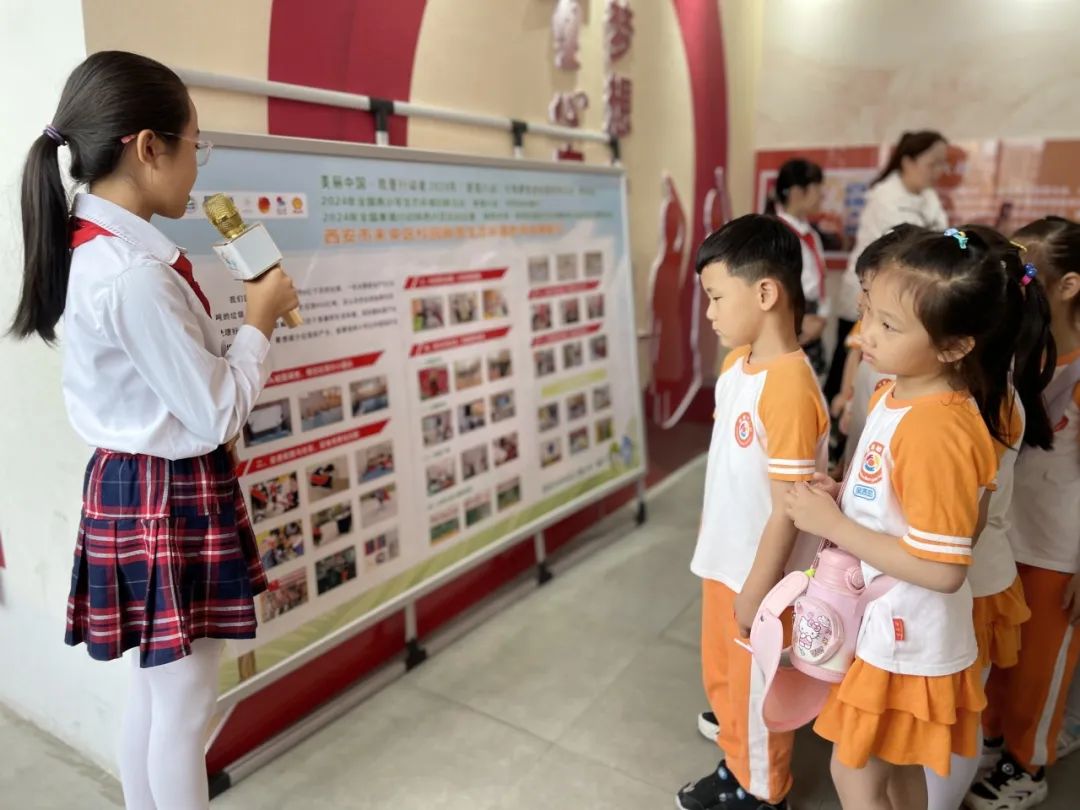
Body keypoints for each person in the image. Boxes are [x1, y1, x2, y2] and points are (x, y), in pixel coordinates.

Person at [9, 51, 298, 810]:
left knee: (159, 692)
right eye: (195, 145)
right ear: (148, 147)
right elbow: (217, 413)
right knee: (184, 708)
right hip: (165, 491)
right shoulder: (131, 274)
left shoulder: (96, 249)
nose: (198, 167)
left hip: (133, 481)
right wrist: (260, 320)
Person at [786, 227, 1021, 810]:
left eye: (888, 326)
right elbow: (898, 502)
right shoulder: (898, 392)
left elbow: (943, 568)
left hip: (908, 634)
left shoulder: (937, 428)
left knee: (855, 771)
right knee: (894, 769)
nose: (864, 335)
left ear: (954, 346)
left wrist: (835, 526)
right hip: (889, 622)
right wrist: (846, 495)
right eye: (867, 314)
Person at [679, 214, 829, 810]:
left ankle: (764, 791)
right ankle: (739, 763)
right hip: (726, 563)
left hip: (762, 582)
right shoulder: (737, 365)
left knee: (758, 688)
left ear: (765, 293)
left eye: (717, 298)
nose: (710, 313)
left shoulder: (789, 387)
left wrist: (758, 589)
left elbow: (789, 509)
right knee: (725, 681)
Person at [921, 226, 1055, 810]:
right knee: (955, 711)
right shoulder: (990, 389)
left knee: (952, 720)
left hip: (965, 585)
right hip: (974, 578)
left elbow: (957, 528)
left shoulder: (970, 406)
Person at [968, 216, 1080, 810]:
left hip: (1059, 549)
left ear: (1068, 287)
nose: (1021, 283)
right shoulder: (1012, 354)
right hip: (1009, 542)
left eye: (1032, 273)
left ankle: (1027, 763)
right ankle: (992, 741)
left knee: (1040, 671)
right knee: (1002, 661)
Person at [824, 131, 949, 406]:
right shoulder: (884, 196)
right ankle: (840, 418)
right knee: (851, 359)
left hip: (904, 297)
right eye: (933, 164)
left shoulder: (928, 196)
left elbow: (942, 237)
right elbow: (908, 246)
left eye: (943, 164)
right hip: (869, 290)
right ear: (907, 162)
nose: (940, 171)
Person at [768, 158, 830, 376]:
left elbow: (819, 279)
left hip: (812, 321)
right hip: (789, 323)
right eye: (817, 188)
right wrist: (800, 320)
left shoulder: (810, 233)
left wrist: (822, 316)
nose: (822, 194)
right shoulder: (774, 234)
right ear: (796, 191)